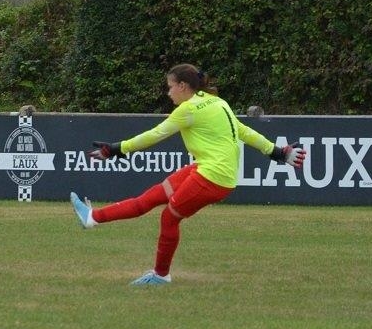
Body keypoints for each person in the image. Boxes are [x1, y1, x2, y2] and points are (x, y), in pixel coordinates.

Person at [69, 63, 306, 285]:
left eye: (170, 87)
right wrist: (277, 152)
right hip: (209, 170)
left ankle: (161, 276)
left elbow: (154, 135)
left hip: (213, 177)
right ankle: (92, 218)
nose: (168, 92)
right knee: (149, 198)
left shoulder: (188, 109)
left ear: (183, 86)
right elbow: (243, 131)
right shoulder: (216, 101)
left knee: (169, 218)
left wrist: (115, 148)